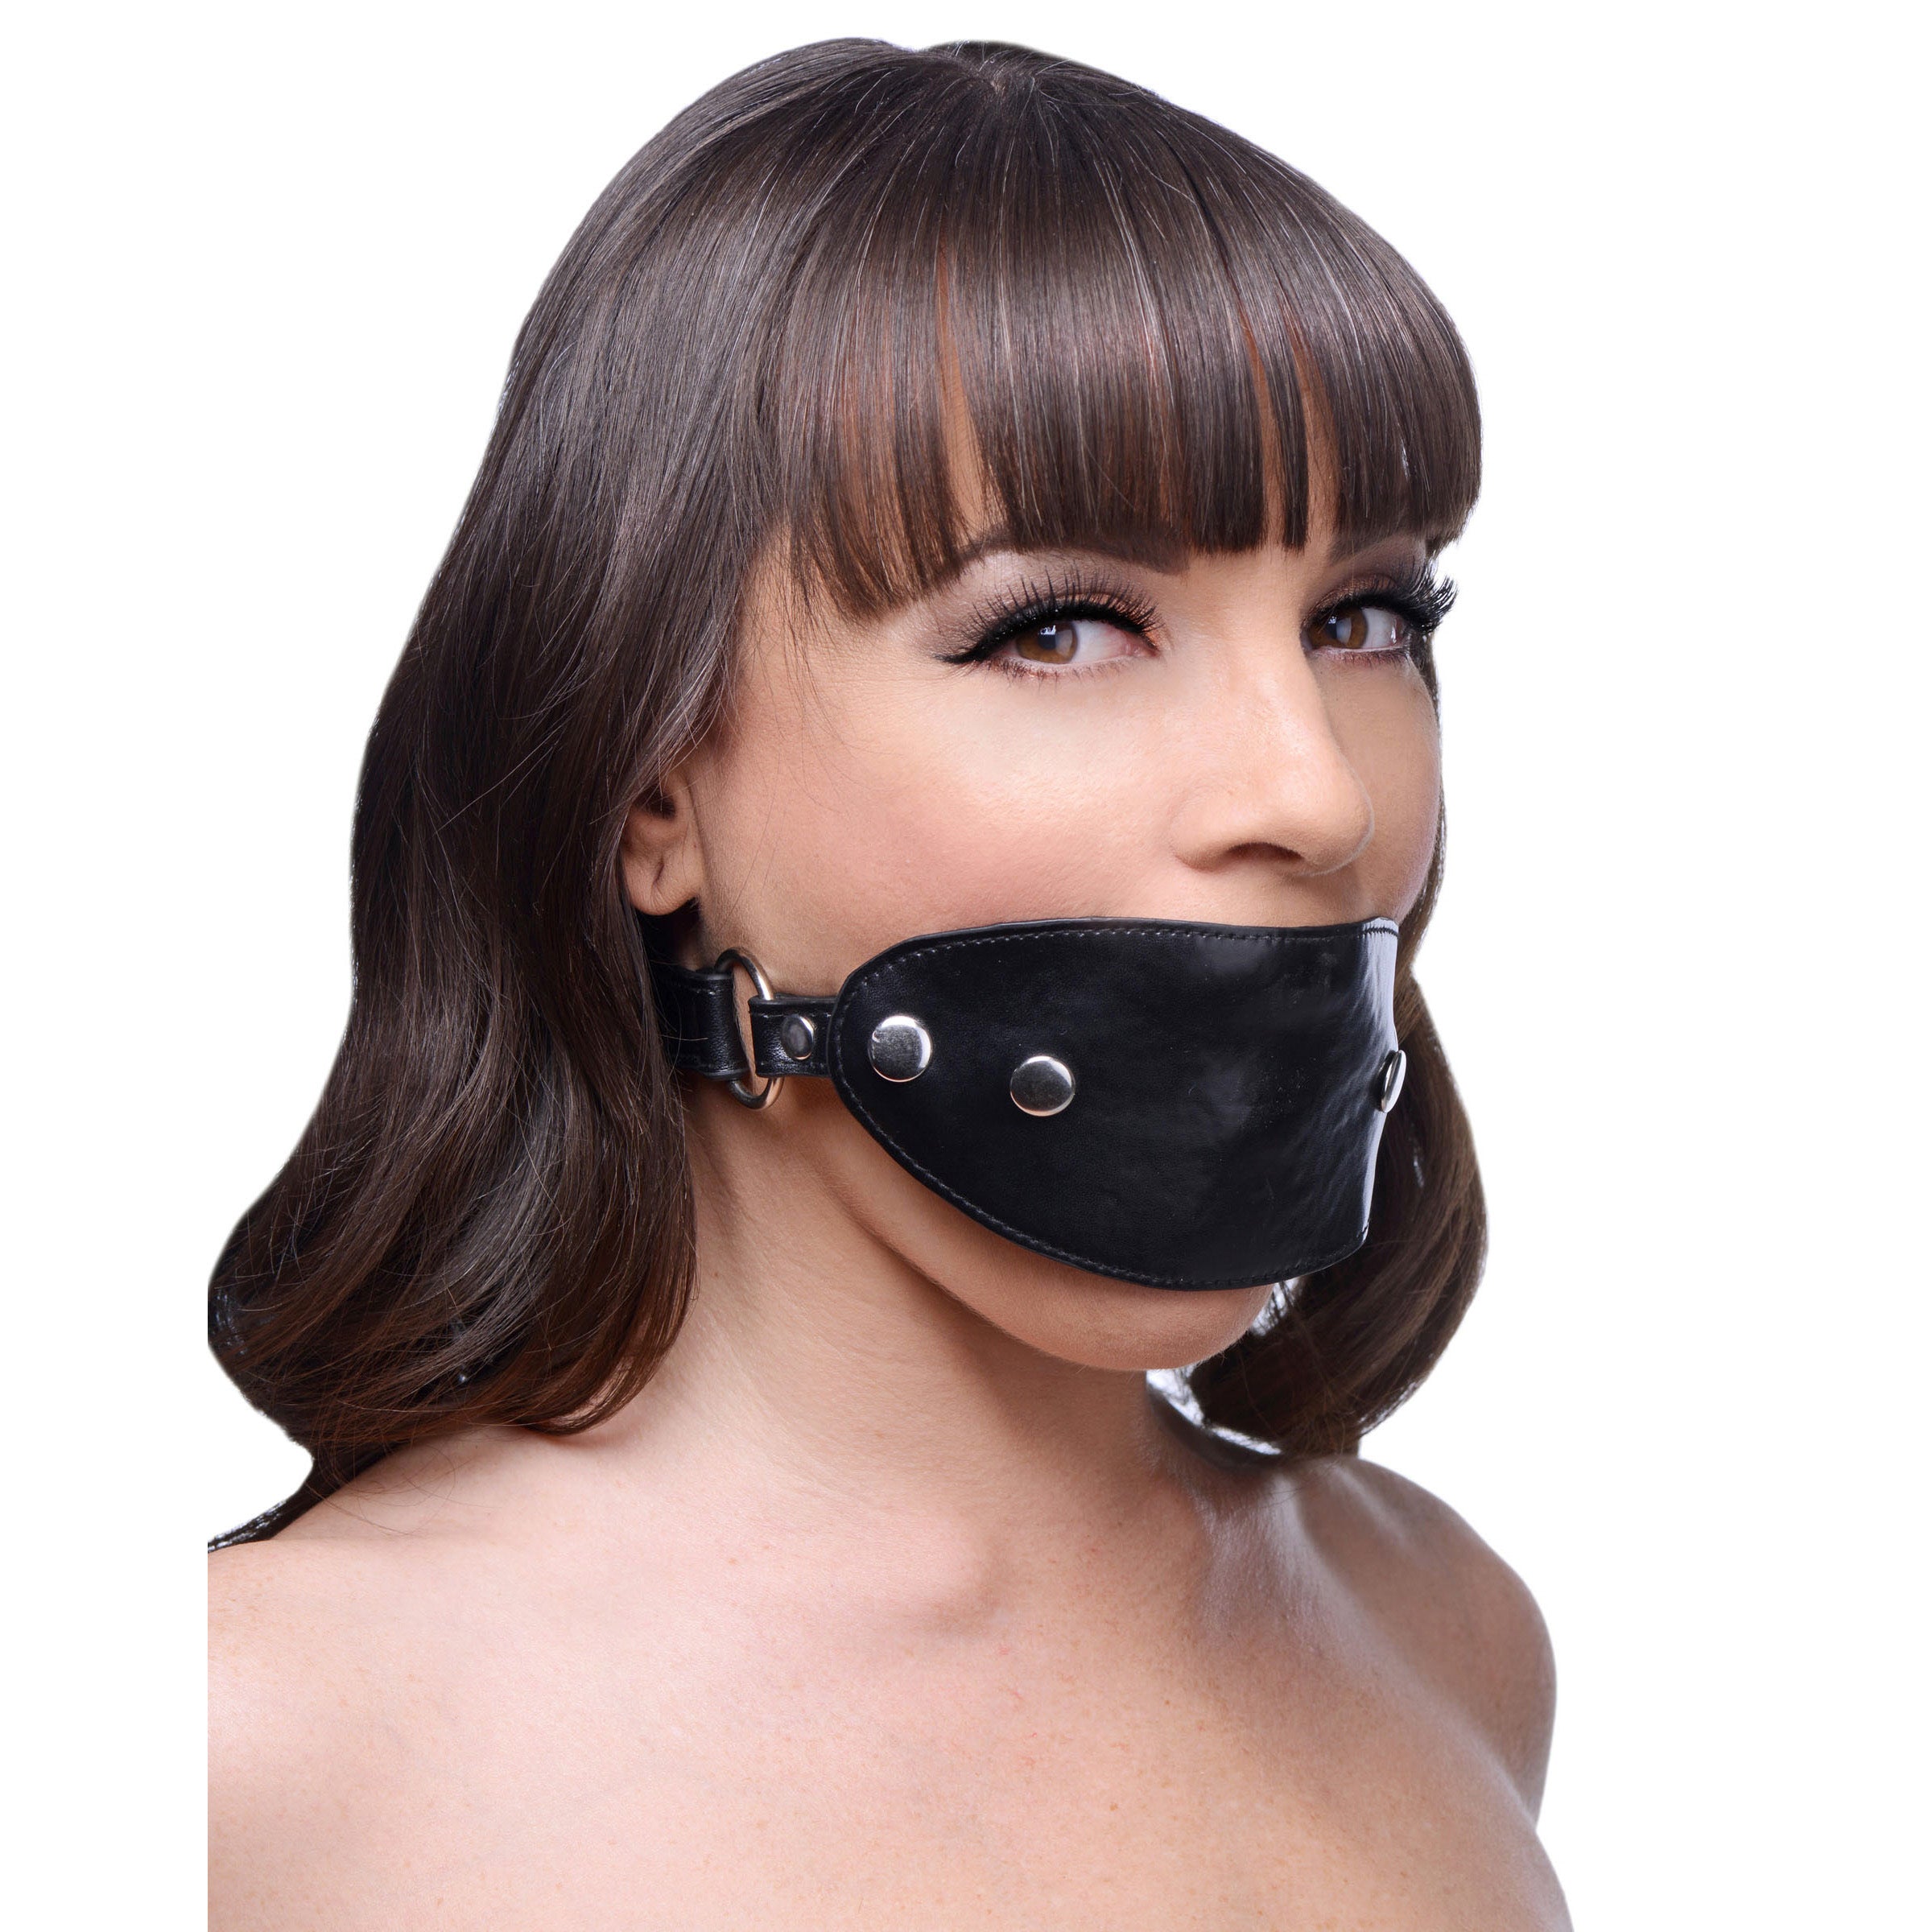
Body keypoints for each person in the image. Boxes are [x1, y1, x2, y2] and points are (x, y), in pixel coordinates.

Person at [208, 38, 1569, 1927]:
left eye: (1366, 617)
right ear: (651, 789)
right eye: (1062, 628)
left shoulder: (1444, 1631)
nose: (1316, 792)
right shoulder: (239, 1753)